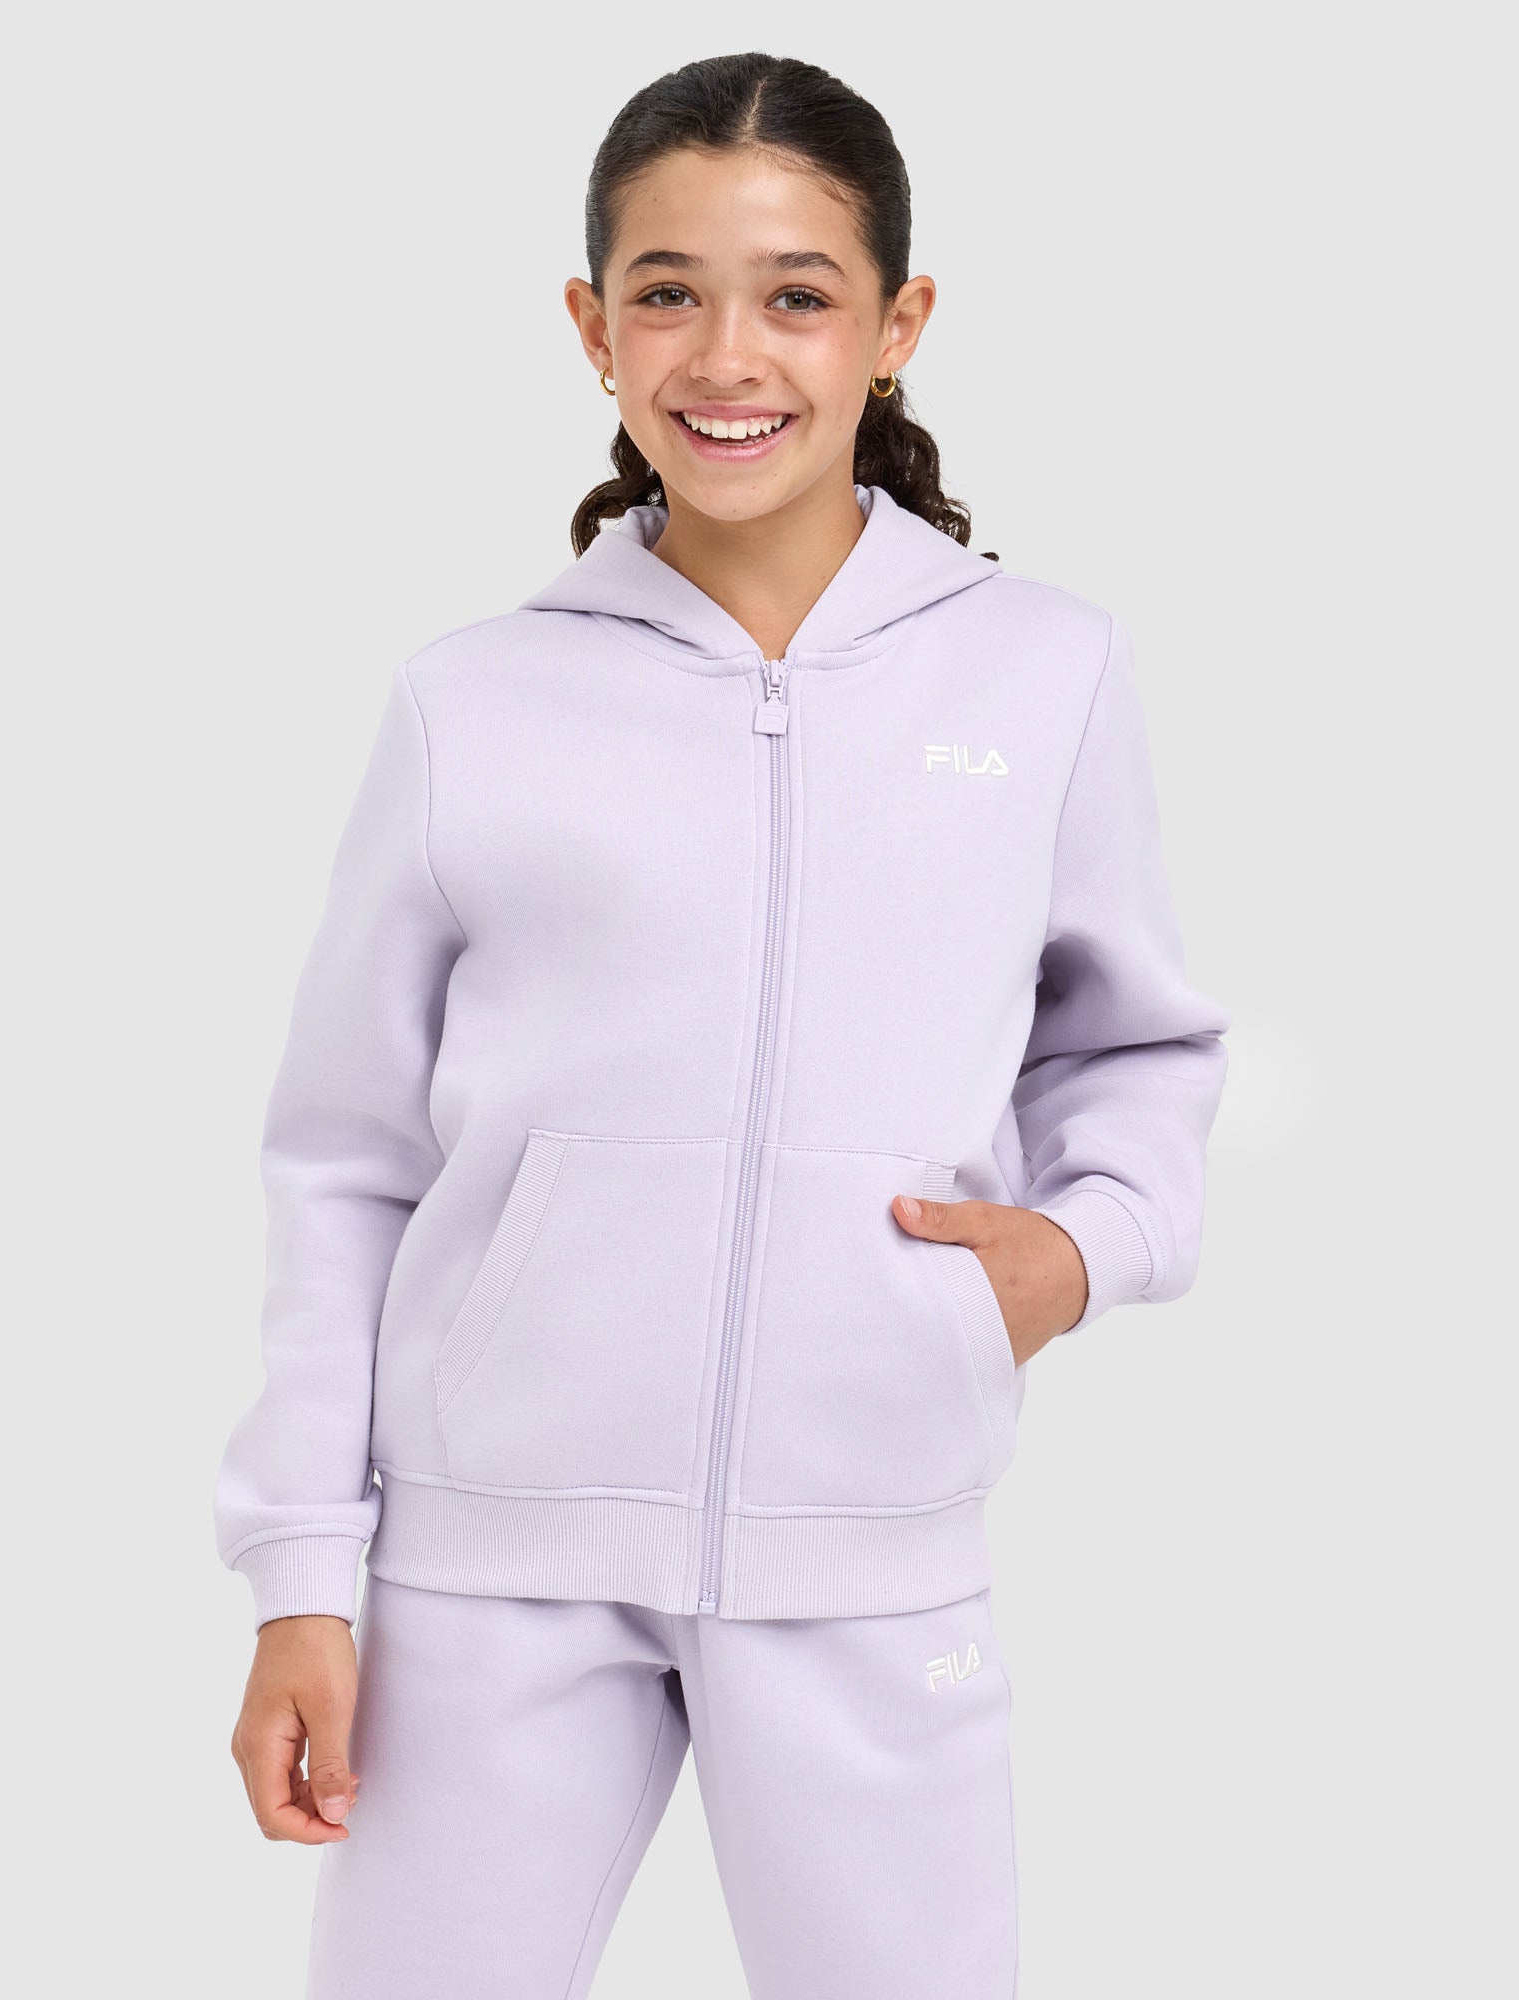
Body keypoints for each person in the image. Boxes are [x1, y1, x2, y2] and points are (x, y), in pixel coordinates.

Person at [214, 49, 1231, 2000]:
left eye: (796, 293)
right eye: (667, 291)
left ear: (895, 327)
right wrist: (300, 1578)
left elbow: (1134, 1049)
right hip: (484, 1572)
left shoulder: (1040, 673)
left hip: (871, 1545)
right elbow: (344, 1161)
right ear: (591, 327)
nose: (727, 354)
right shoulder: (473, 701)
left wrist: (1076, 1250)